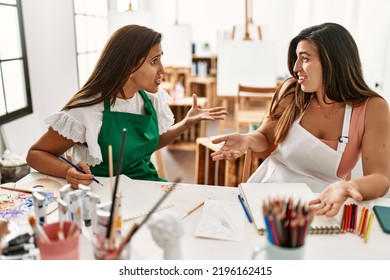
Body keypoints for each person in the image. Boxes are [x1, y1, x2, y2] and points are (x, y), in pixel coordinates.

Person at [211, 22, 390, 217]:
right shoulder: (291, 92)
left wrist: (347, 187)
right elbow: (265, 136)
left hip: (322, 206)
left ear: (333, 62)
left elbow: (381, 177)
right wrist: (248, 140)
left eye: (304, 58)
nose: (296, 68)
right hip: (267, 193)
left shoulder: (372, 108)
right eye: (296, 58)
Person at [26, 24, 227, 187]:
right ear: (130, 66)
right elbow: (35, 155)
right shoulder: (87, 110)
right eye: (154, 61)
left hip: (147, 186)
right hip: (105, 194)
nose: (163, 70)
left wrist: (185, 123)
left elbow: (149, 143)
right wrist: (67, 171)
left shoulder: (149, 99)